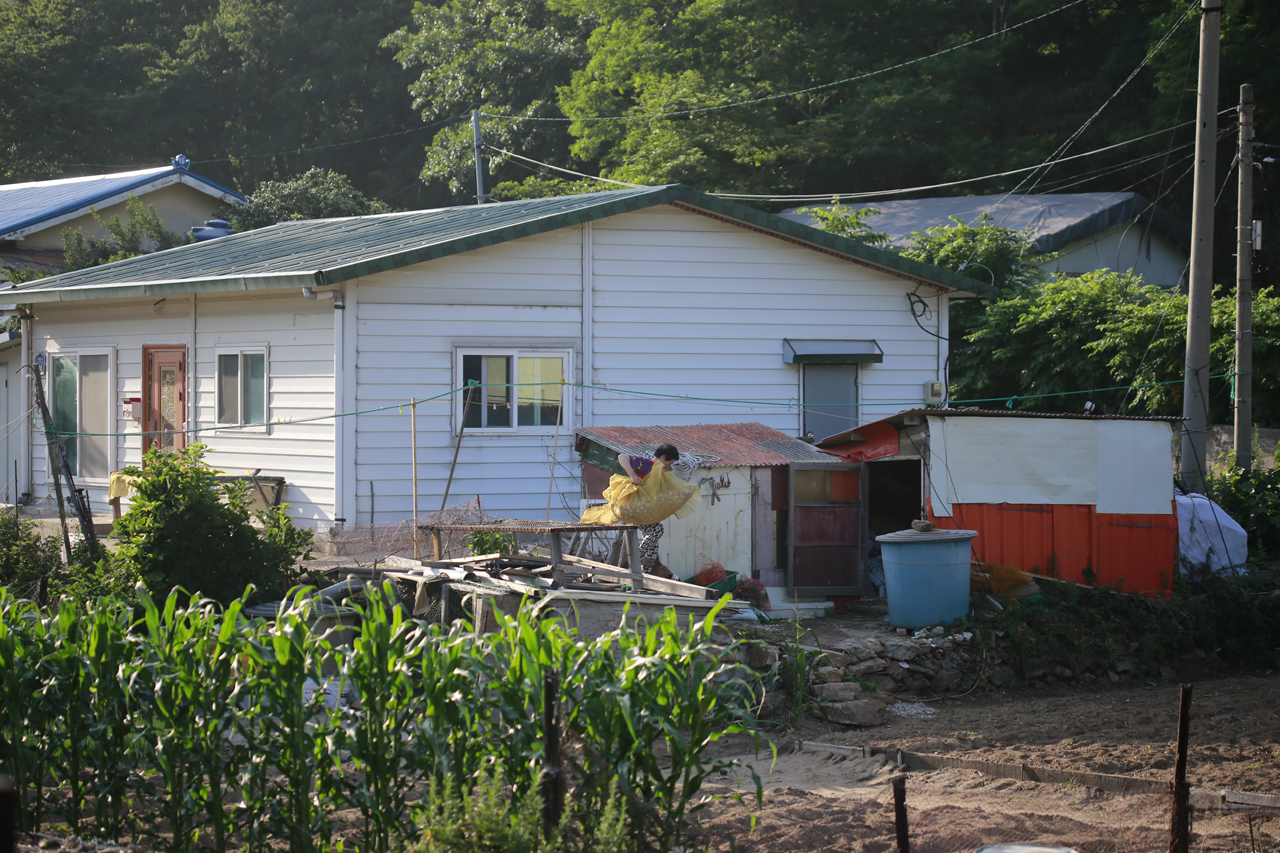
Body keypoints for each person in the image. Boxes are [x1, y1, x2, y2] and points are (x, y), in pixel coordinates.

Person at [579, 443, 700, 577]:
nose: (669, 467)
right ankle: (637, 555)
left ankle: (645, 575)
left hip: (640, 511)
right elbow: (622, 457)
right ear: (664, 457)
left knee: (653, 544)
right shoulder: (645, 464)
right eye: (669, 463)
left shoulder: (657, 471)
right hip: (632, 509)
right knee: (658, 529)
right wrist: (632, 475)